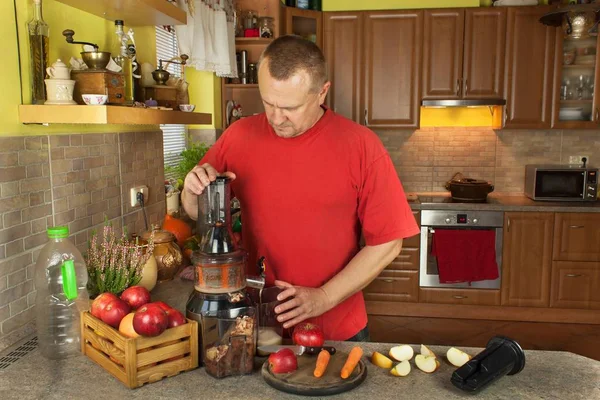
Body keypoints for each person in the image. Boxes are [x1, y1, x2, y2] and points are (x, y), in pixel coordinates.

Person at [181, 35, 419, 342]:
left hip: (335, 327)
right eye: (268, 103)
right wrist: (191, 190)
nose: (276, 118)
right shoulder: (239, 135)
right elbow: (201, 213)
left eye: (290, 107)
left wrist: (324, 297)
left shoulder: (361, 145)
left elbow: (388, 243)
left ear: (322, 92)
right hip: (255, 322)